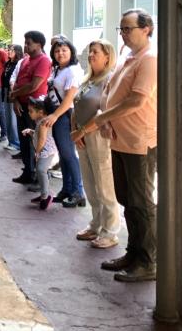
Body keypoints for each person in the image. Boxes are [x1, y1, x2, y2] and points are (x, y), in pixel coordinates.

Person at [71, 9, 158, 283]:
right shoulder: (128, 58)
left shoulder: (149, 59)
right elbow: (108, 91)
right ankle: (133, 253)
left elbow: (137, 101)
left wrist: (102, 118)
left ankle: (148, 261)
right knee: (127, 199)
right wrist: (107, 119)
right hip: (119, 139)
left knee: (141, 202)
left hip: (139, 140)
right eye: (121, 29)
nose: (123, 33)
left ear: (146, 29)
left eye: (128, 28)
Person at [72, 39, 120, 249]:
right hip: (81, 135)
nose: (91, 55)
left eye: (95, 52)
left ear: (107, 56)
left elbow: (104, 112)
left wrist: (83, 130)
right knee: (90, 183)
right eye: (90, 52)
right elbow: (76, 104)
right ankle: (96, 224)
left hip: (99, 136)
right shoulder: (89, 79)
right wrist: (76, 131)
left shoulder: (110, 79)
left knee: (104, 183)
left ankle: (110, 231)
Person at [42, 38, 86, 208]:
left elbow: (69, 99)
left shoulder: (73, 71)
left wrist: (55, 116)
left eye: (64, 50)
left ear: (71, 52)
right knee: (63, 153)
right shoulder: (58, 69)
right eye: (57, 50)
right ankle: (67, 189)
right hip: (57, 115)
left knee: (68, 154)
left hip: (65, 116)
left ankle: (78, 192)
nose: (60, 53)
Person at [9, 30, 51, 184]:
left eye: (29, 43)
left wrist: (15, 94)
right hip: (22, 105)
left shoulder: (44, 61)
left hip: (35, 107)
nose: (25, 46)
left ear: (39, 44)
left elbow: (34, 85)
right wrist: (15, 100)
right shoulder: (26, 60)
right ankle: (28, 171)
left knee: (36, 141)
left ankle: (37, 176)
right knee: (24, 139)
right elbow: (18, 82)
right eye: (25, 42)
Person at [22, 97, 59, 210]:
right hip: (45, 151)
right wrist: (31, 131)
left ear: (41, 112)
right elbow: (40, 135)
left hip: (46, 152)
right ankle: (44, 194)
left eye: (31, 111)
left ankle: (45, 196)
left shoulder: (43, 122)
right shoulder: (40, 121)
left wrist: (37, 153)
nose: (29, 114)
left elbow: (42, 139)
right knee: (41, 171)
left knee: (41, 170)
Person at [1, 44, 23, 153]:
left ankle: (16, 142)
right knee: (7, 118)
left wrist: (13, 93)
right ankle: (11, 141)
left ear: (17, 52)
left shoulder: (18, 64)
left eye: (12, 50)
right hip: (5, 91)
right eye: (9, 50)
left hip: (12, 92)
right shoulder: (8, 63)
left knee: (12, 118)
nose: (9, 51)